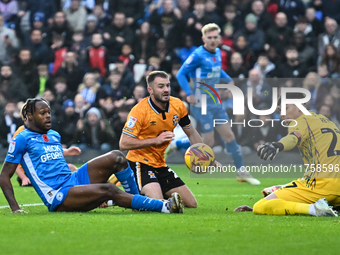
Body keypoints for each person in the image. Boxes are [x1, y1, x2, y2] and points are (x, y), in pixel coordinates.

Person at [0, 98, 184, 213]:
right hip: (59, 195)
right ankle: (163, 206)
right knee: (109, 189)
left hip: (72, 180)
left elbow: (45, 157)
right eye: (42, 113)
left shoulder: (54, 135)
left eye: (49, 112)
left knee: (117, 156)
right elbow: (4, 176)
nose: (48, 116)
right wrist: (15, 208)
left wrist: (65, 152)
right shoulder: (21, 138)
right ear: (30, 116)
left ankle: (138, 202)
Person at [176, 23, 260, 185]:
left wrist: (228, 79)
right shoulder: (198, 55)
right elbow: (181, 74)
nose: (213, 40)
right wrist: (189, 93)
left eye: (215, 37)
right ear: (203, 38)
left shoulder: (219, 53)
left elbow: (217, 70)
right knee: (209, 142)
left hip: (215, 103)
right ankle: (178, 144)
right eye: (210, 37)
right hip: (201, 104)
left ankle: (241, 172)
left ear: (220, 38)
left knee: (229, 135)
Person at [119, 71, 217, 208]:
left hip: (160, 164)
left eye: (167, 86)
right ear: (150, 90)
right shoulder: (139, 111)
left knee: (191, 204)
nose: (166, 90)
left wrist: (206, 157)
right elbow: (124, 143)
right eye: (161, 86)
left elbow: (192, 133)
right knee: (157, 203)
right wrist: (155, 140)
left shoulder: (178, 105)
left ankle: (150, 191)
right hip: (139, 163)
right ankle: (129, 196)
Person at [235, 93, 340, 217]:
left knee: (260, 206)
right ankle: (331, 205)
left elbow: (293, 138)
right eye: (280, 110)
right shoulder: (325, 121)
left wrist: (277, 145)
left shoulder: (300, 122)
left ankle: (314, 209)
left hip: (320, 186)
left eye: (286, 108)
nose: (282, 114)